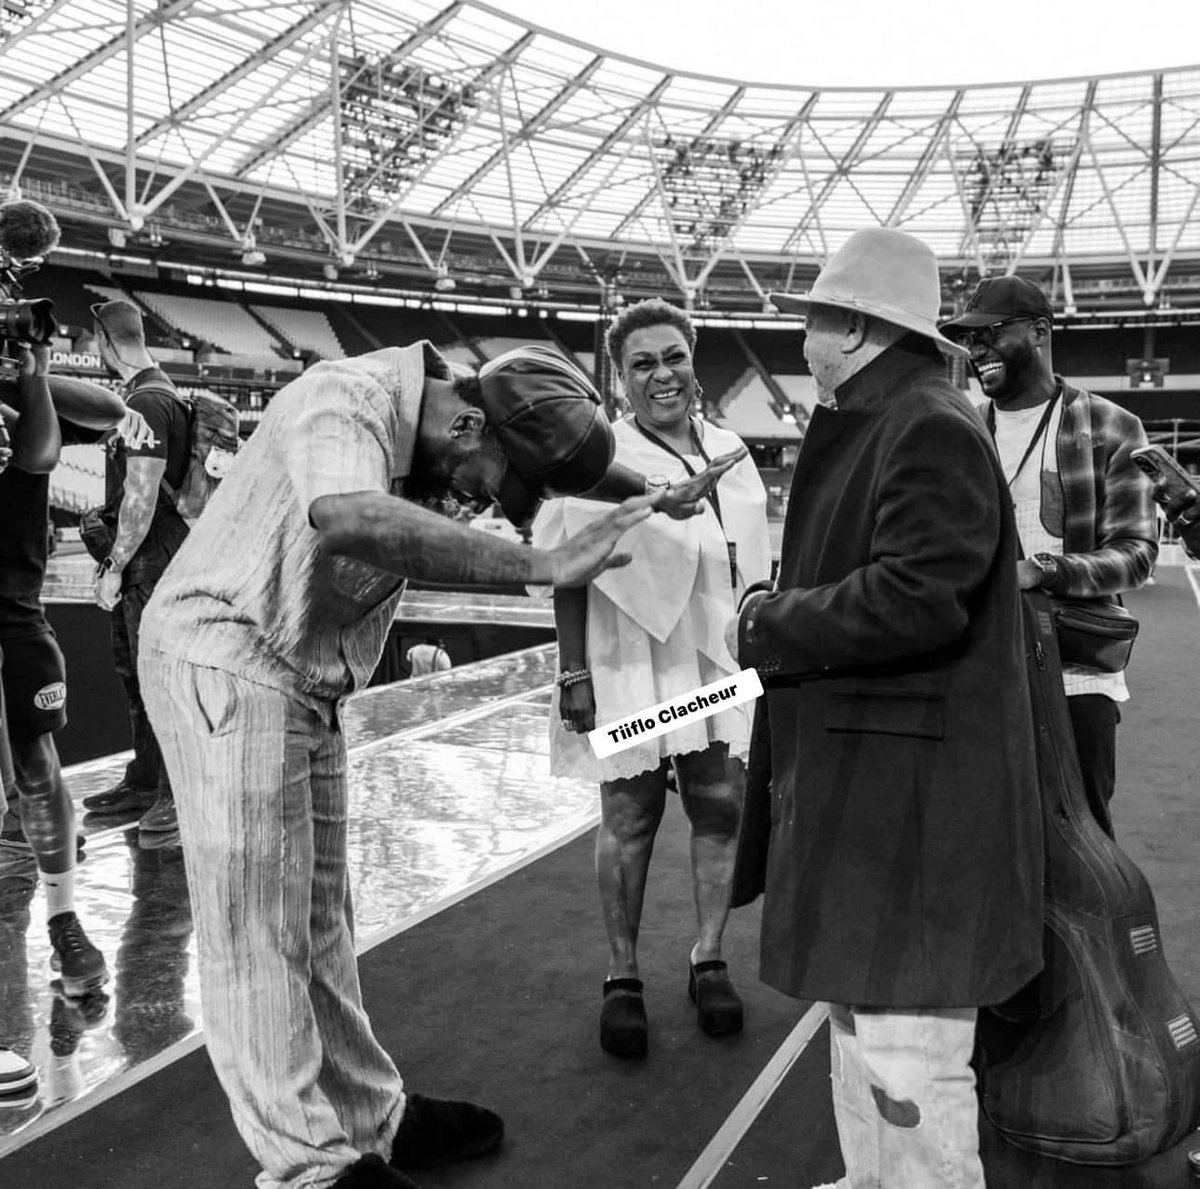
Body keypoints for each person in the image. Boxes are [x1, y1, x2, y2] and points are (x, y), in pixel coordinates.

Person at [136, 341, 741, 1189]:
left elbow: (540, 464)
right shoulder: (343, 400)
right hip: (227, 658)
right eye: (486, 483)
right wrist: (540, 563)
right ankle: (311, 1168)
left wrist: (647, 494)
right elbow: (347, 515)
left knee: (320, 919)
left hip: (301, 673)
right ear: (464, 422)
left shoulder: (449, 418)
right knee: (257, 932)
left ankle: (370, 1120)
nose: (478, 501)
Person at [728, 228, 1044, 1189]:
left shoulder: (924, 424)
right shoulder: (903, 416)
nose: (805, 343)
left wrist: (768, 621)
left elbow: (917, 596)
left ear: (856, 326)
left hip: (910, 809)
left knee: (909, 1055)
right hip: (879, 793)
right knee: (866, 1029)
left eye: (817, 321)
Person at [536, 298, 771, 1058]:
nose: (662, 373)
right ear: (619, 377)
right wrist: (574, 670)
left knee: (721, 808)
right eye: (642, 363)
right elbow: (568, 571)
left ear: (693, 357)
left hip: (715, 662)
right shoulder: (596, 460)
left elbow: (750, 564)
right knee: (630, 815)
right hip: (627, 662)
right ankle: (623, 974)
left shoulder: (733, 449)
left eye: (673, 356)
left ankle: (708, 954)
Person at [941, 276, 1158, 839]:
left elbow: (1136, 555)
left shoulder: (1111, 425)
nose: (977, 352)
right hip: (981, 666)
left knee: (1081, 840)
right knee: (985, 838)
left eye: (990, 335)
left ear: (1039, 331)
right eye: (970, 341)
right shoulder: (957, 431)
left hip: (1078, 673)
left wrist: (1046, 571)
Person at [79, 300, 198, 848]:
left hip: (152, 561)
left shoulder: (148, 401)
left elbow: (141, 493)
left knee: (159, 684)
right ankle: (146, 780)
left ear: (104, 339)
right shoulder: (155, 393)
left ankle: (176, 795)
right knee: (135, 678)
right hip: (151, 560)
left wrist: (113, 565)